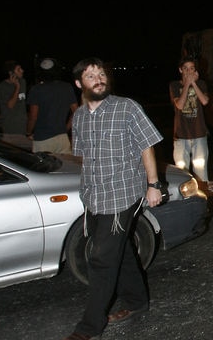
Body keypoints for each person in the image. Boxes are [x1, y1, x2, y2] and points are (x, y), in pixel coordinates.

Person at [63, 57, 165, 340]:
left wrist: (153, 184)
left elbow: (146, 145)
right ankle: (136, 302)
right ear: (79, 83)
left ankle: (89, 327)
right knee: (120, 251)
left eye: (101, 73)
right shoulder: (80, 116)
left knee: (101, 259)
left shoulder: (126, 107)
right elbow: (85, 157)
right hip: (94, 196)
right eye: (90, 75)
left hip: (122, 194)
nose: (99, 79)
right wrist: (85, 190)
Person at [170, 55, 210, 184]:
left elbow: (204, 101)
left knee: (201, 172)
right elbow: (180, 105)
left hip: (199, 134)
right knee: (182, 173)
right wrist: (187, 84)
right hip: (181, 136)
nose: (189, 71)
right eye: (186, 68)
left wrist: (193, 83)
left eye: (192, 68)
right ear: (180, 70)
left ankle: (203, 201)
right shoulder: (174, 85)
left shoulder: (201, 84)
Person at [26, 57, 79, 153]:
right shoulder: (67, 87)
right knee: (65, 167)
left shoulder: (36, 89)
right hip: (62, 138)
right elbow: (76, 112)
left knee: (43, 167)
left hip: (42, 139)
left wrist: (28, 132)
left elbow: (33, 117)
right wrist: (66, 128)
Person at [0, 59, 30, 149]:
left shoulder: (23, 82)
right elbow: (10, 105)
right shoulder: (2, 87)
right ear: (11, 73)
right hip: (11, 130)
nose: (22, 71)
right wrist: (17, 88)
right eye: (18, 69)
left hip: (22, 129)